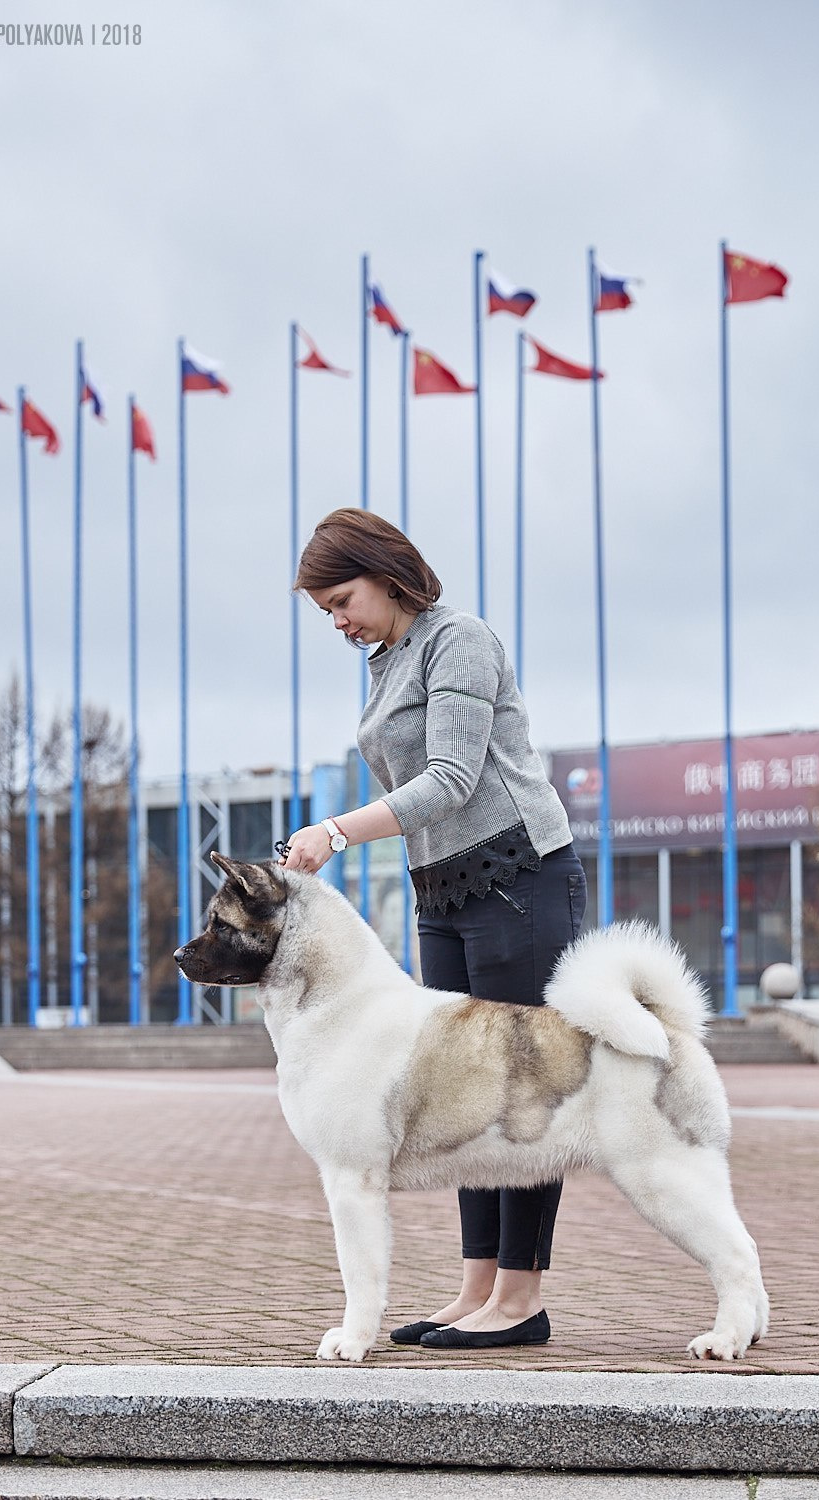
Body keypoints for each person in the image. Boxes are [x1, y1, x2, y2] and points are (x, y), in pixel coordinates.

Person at [282, 508, 587, 1350]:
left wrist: (336, 832)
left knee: (524, 1091)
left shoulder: (462, 640)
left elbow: (452, 778)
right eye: (326, 612)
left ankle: (522, 1299)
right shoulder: (387, 662)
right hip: (444, 893)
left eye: (342, 600)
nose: (338, 621)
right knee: (462, 1094)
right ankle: (476, 1288)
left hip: (518, 878)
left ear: (386, 572)